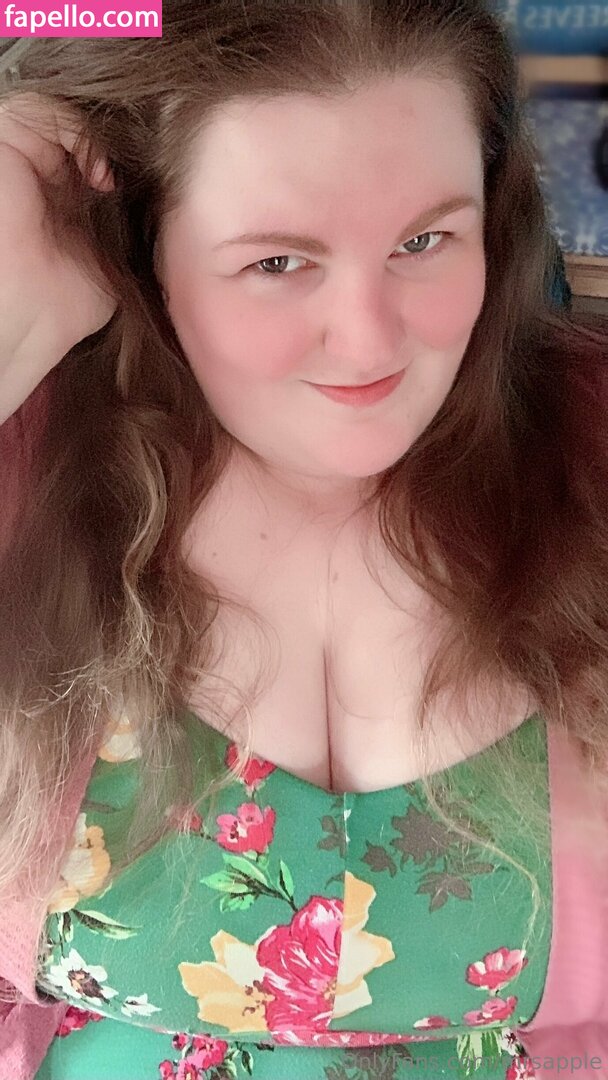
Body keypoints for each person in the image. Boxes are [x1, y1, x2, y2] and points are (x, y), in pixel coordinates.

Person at [0, 2, 607, 1078]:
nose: (370, 343)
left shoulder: (588, 451)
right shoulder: (30, 462)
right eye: (278, 262)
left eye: (424, 241)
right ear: (142, 249)